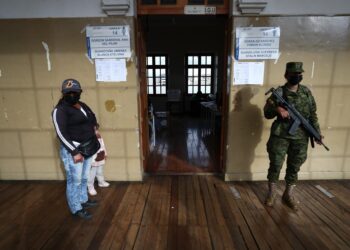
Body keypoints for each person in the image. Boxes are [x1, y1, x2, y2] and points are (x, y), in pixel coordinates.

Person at [263, 62, 323, 211]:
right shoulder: (279, 93)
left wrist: (317, 133)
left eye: (299, 74)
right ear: (286, 75)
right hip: (280, 136)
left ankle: (288, 194)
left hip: (301, 137)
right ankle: (271, 194)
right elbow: (267, 113)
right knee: (276, 164)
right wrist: (277, 109)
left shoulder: (306, 93)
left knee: (294, 166)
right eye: (293, 74)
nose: (297, 77)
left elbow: (312, 115)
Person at [52, 79, 99, 220]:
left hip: (87, 147)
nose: (72, 94)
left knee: (84, 177)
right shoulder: (59, 110)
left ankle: (83, 200)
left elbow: (92, 116)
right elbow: (61, 133)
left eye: (75, 92)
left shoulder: (82, 105)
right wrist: (74, 152)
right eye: (69, 92)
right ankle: (75, 208)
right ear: (63, 93)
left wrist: (95, 125)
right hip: (74, 151)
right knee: (75, 180)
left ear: (80, 92)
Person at [88, 130, 110, 196]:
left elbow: (102, 145)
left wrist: (105, 153)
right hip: (93, 157)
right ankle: (90, 187)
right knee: (92, 173)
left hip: (100, 154)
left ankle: (101, 182)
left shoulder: (98, 134)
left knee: (100, 170)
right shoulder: (88, 135)